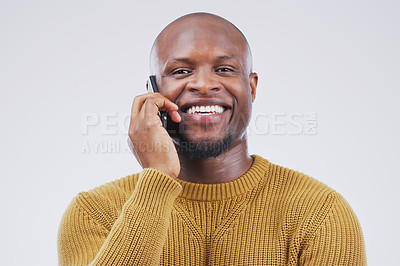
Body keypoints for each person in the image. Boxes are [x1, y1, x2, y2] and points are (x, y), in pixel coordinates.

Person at [58, 12, 367, 265]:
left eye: (224, 69)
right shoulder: (95, 212)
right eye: (180, 72)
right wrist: (157, 179)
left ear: (252, 87)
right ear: (154, 90)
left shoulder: (320, 213)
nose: (204, 84)